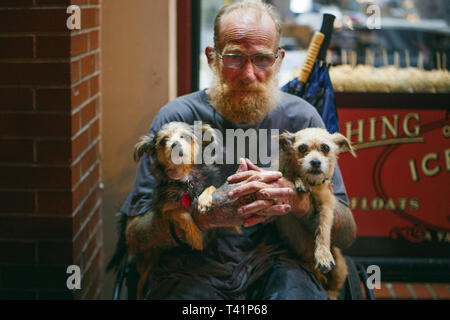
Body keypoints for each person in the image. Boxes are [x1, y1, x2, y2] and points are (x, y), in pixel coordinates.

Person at [121, 0, 356, 300]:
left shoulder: (302, 120)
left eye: (262, 59)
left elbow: (347, 233)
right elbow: (134, 237)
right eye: (234, 58)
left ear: (279, 59)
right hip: (192, 267)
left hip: (280, 264)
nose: (248, 73)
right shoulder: (177, 119)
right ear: (212, 58)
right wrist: (199, 217)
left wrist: (299, 203)